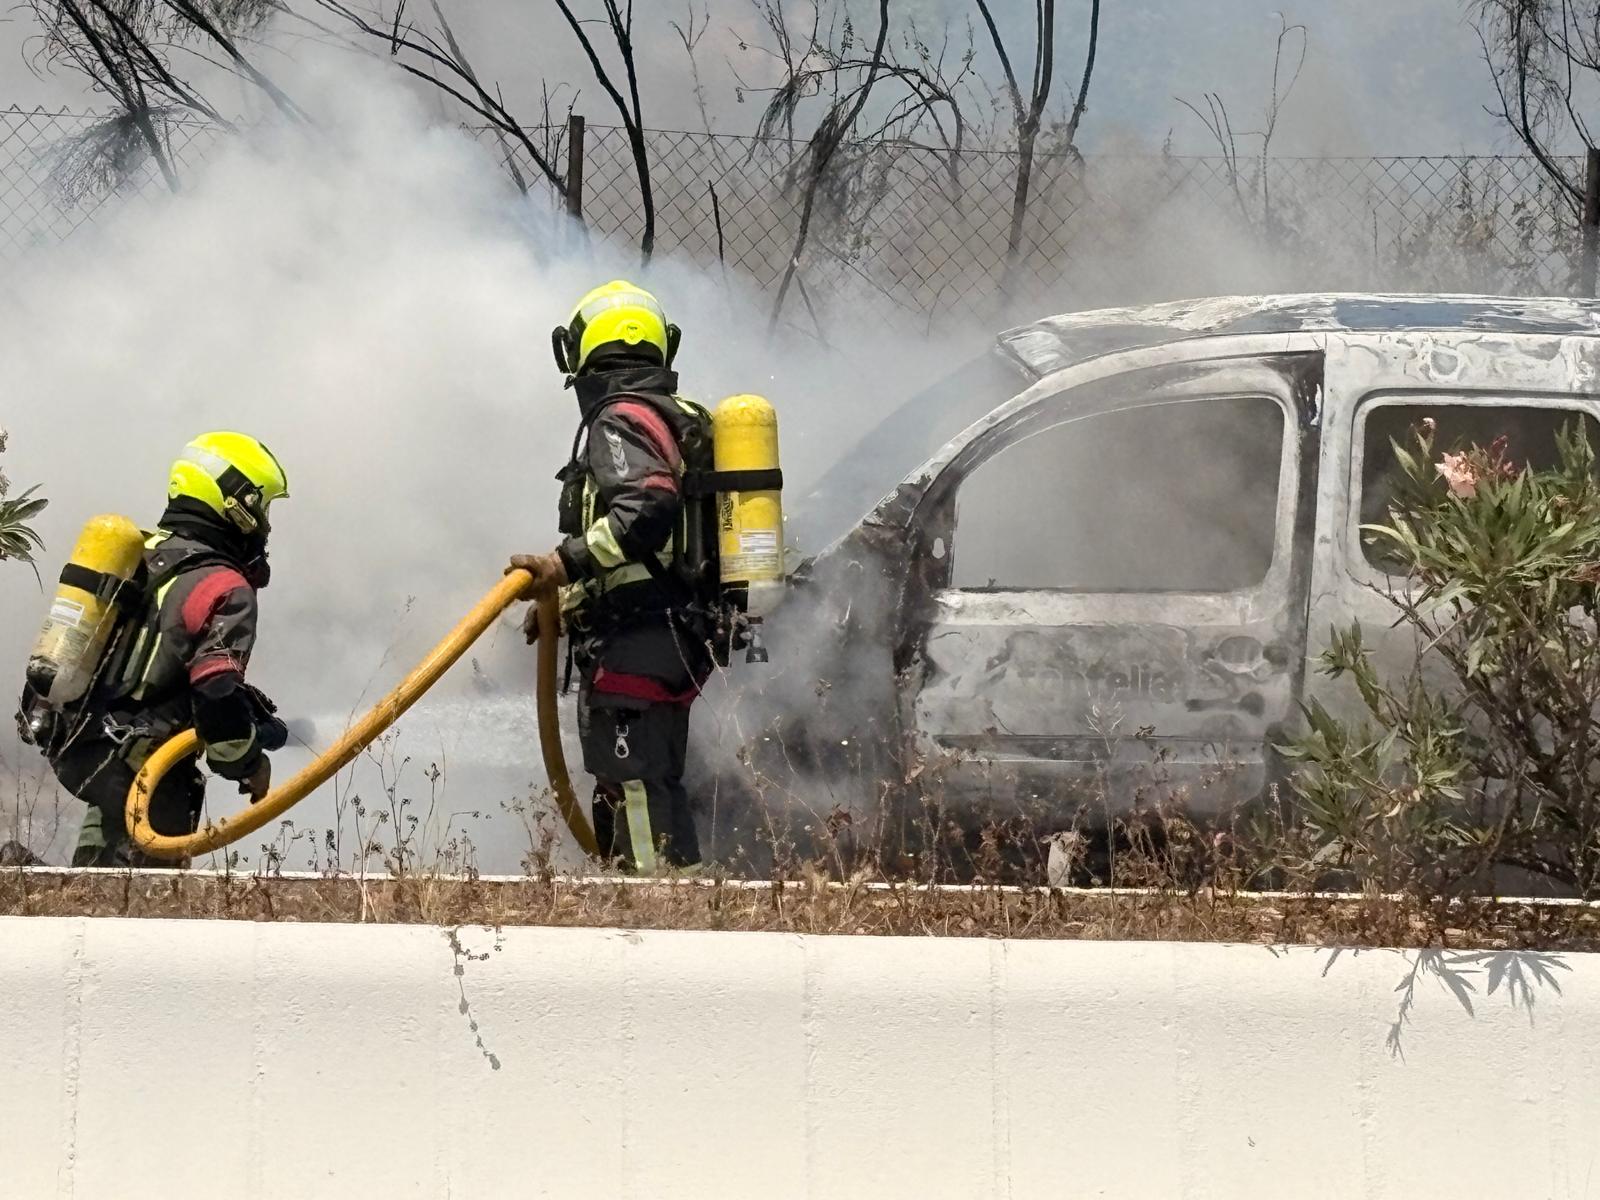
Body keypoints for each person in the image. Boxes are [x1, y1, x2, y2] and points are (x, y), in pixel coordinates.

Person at [510, 280, 714, 874]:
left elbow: (646, 511)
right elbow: (651, 546)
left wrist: (562, 563)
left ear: (577, 352)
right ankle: (681, 900)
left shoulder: (620, 419)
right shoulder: (679, 416)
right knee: (652, 781)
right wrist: (568, 602)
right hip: (674, 627)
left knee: (635, 783)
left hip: (641, 636)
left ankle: (655, 918)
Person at [48, 433, 289, 867]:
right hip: (155, 775)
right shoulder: (225, 586)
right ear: (235, 503)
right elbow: (216, 696)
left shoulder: (141, 554)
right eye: (262, 506)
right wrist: (249, 762)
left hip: (90, 753)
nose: (264, 524)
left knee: (93, 895)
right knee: (145, 911)